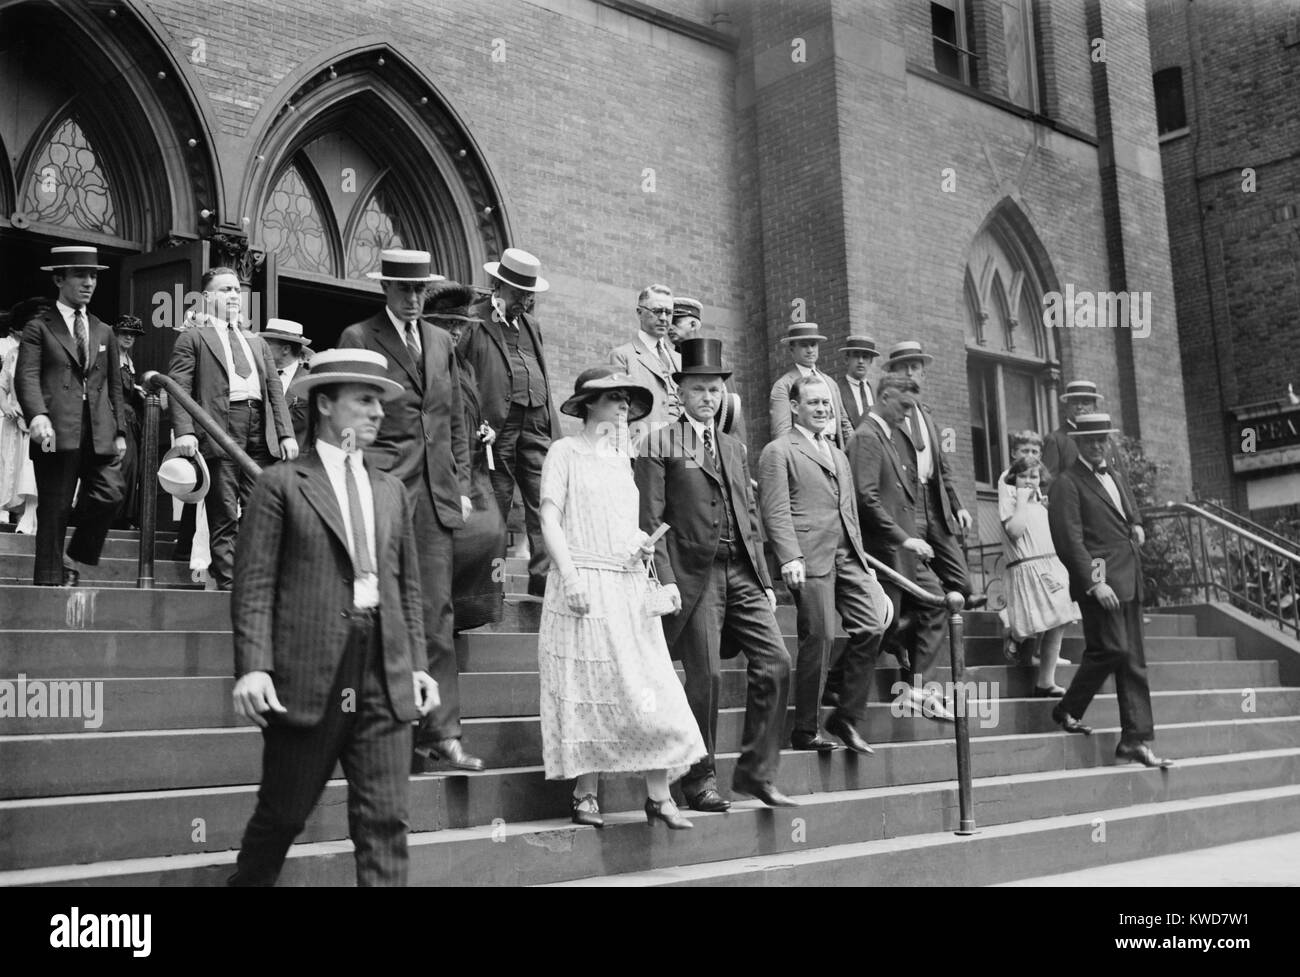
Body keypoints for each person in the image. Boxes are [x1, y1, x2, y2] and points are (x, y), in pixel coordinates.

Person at [228, 348, 438, 886]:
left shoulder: (391, 489)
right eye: (364, 400)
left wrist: (417, 663)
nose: (377, 413)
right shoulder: (281, 483)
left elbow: (406, 587)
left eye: (381, 402)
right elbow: (254, 585)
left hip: (384, 669)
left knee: (385, 821)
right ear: (325, 404)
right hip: (310, 669)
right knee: (283, 816)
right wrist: (254, 666)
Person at [538, 366, 706, 830]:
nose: (623, 408)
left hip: (627, 583)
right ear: (589, 405)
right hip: (583, 583)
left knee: (651, 684)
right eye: (614, 399)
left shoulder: (623, 459)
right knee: (590, 691)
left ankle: (658, 796)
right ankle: (585, 794)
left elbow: (622, 522)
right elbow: (550, 518)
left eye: (627, 401)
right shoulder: (564, 452)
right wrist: (569, 575)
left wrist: (642, 542)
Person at [635, 338, 796, 810]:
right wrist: (663, 579)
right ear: (679, 392)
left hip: (742, 570)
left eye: (715, 390)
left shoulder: (733, 445)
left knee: (776, 662)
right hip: (692, 574)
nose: (708, 398)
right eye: (699, 389)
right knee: (705, 675)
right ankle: (698, 778)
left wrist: (766, 581)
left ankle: (755, 773)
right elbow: (650, 520)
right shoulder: (659, 442)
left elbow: (748, 516)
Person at [338, 248, 483, 773]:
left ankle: (443, 734)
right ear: (385, 289)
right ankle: (384, 731)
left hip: (437, 496)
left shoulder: (443, 341)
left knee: (438, 615)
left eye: (421, 289)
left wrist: (461, 483)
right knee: (380, 611)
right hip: (383, 489)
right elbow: (348, 415)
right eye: (405, 289)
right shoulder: (359, 337)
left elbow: (455, 420)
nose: (415, 298)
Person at [758, 375, 892, 754]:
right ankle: (805, 728)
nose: (821, 410)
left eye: (826, 404)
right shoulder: (779, 451)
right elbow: (774, 508)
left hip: (847, 554)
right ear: (796, 406)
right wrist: (788, 556)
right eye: (814, 403)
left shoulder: (837, 454)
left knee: (873, 622)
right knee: (820, 636)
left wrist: (865, 564)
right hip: (808, 557)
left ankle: (845, 716)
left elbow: (848, 511)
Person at [1047, 413, 1172, 768]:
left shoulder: (1113, 473)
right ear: (1077, 444)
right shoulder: (1066, 483)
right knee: (1113, 649)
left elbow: (1128, 512)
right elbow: (1069, 541)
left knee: (1132, 660)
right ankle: (1068, 708)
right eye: (1090, 441)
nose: (1098, 445)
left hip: (1129, 578)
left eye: (1102, 439)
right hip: (1102, 584)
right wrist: (1095, 581)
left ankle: (1135, 739)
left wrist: (1136, 524)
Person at [167, 266, 297, 591]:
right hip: (220, 426)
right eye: (225, 290)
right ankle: (229, 586)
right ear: (207, 296)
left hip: (259, 428)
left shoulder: (256, 341)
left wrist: (285, 434)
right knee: (224, 509)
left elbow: (274, 389)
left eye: (237, 291)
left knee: (259, 510)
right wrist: (184, 431)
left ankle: (253, 581)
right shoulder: (193, 337)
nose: (234, 296)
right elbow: (178, 387)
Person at [15, 246, 126, 587]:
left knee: (112, 491)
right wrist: (37, 415)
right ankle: (49, 580)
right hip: (53, 432)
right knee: (54, 508)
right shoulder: (39, 327)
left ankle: (75, 553)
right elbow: (27, 375)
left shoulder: (103, 330)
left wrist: (120, 430)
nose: (89, 282)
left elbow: (114, 386)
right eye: (80, 275)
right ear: (59, 278)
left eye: (93, 276)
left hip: (98, 430)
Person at [846, 373, 953, 721]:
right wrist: (904, 537)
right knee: (883, 623)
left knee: (934, 603)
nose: (908, 415)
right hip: (884, 550)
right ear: (886, 396)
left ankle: (920, 689)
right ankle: (837, 679)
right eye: (904, 406)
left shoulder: (887, 435)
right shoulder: (867, 437)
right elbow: (865, 498)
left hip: (900, 549)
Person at [461, 248, 558, 598]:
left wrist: (551, 427)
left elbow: (543, 375)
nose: (526, 302)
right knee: (496, 504)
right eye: (520, 294)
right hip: (495, 430)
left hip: (536, 423)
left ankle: (544, 582)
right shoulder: (474, 321)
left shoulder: (532, 325)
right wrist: (474, 422)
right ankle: (491, 587)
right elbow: (462, 378)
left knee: (545, 500)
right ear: (498, 286)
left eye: (530, 295)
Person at [426, 281, 505, 631]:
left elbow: (471, 408)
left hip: (472, 464)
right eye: (448, 325)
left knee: (493, 531)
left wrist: (485, 430)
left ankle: (463, 612)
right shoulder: (424, 360)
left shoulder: (466, 366)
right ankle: (441, 611)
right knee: (459, 537)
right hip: (439, 464)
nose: (456, 332)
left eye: (460, 325)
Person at [881, 340, 983, 608]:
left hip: (934, 505)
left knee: (962, 582)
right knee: (912, 579)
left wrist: (958, 505)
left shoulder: (927, 415)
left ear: (923, 374)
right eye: (903, 368)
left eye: (915, 367)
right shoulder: (888, 418)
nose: (910, 373)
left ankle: (940, 605)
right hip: (907, 503)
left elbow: (943, 468)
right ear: (892, 376)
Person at [999, 457, 1079, 697]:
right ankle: (1012, 630)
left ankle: (1045, 681)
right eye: (1023, 476)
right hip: (1028, 568)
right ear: (1014, 478)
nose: (1029, 481)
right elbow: (1015, 531)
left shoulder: (1041, 503)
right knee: (1037, 621)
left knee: (1060, 619)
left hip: (1050, 566)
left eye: (1034, 476)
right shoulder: (1011, 500)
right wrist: (1022, 501)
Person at [667, 296, 747, 451]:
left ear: (693, 324)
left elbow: (731, 409)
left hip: (710, 442)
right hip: (678, 441)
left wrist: (738, 447)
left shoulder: (716, 362)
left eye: (675, 322)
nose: (669, 327)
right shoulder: (667, 359)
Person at [609, 284, 680, 442]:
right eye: (656, 311)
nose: (663, 318)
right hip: (643, 451)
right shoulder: (623, 356)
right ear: (639, 312)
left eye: (668, 312)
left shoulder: (680, 360)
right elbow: (617, 415)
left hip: (684, 453)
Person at [768, 323, 854, 449]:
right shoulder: (784, 385)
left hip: (834, 448)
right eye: (804, 345)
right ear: (792, 350)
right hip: (806, 451)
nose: (810, 350)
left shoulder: (830, 382)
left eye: (813, 344)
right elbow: (782, 432)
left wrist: (855, 451)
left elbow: (843, 423)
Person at [0, 299, 44, 534]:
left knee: (41, 467)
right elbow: (2, 385)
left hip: (46, 425)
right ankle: (21, 514)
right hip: (15, 422)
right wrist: (6, 405)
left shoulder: (49, 354)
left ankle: (32, 515)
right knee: (15, 469)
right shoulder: (13, 355)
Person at [1042, 380, 1123, 478]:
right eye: (1074, 403)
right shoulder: (1055, 440)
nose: (1079, 407)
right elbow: (1048, 481)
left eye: (1085, 403)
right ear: (1066, 406)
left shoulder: (1107, 440)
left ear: (1095, 407)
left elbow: (1123, 480)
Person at [111, 315, 146, 529]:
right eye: (125, 333)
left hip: (132, 421)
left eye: (132, 335)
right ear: (115, 334)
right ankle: (109, 518)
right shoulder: (109, 357)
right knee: (118, 467)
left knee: (132, 469)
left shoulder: (128, 360)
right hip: (115, 417)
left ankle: (124, 518)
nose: (129, 337)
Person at [262, 319, 312, 448]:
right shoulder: (259, 374)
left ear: (285, 349)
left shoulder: (309, 381)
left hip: (296, 458)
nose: (262, 348)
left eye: (267, 344)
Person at [837, 335, 878, 432]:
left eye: (865, 357)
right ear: (846, 359)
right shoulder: (836, 389)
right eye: (856, 356)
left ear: (871, 361)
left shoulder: (878, 391)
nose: (860, 361)